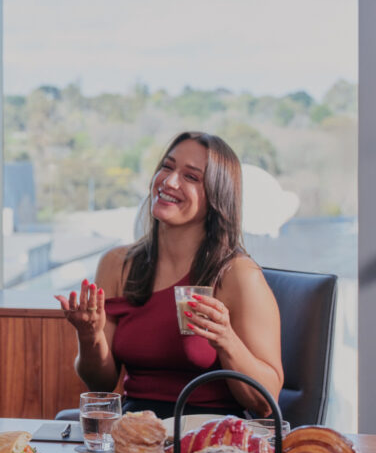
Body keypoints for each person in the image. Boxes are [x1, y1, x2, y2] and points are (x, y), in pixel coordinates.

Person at [54, 131, 283, 418]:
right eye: (167, 166)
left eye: (191, 177)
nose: (170, 181)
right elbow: (100, 382)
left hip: (211, 436)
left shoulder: (239, 274)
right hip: (136, 431)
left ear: (216, 196)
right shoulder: (117, 264)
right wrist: (89, 336)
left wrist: (226, 339)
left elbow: (265, 403)